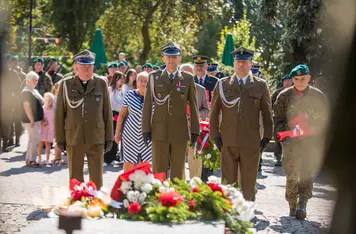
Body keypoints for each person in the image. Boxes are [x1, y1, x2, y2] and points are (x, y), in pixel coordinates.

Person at [209, 47, 273, 201]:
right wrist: (215, 134)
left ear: (251, 64)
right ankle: (229, 211)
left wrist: (267, 137)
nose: (241, 65)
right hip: (228, 139)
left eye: (244, 62)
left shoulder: (260, 85)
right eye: (238, 61)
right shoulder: (223, 84)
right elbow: (214, 112)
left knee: (248, 180)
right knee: (228, 180)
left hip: (251, 141)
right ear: (234, 64)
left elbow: (267, 113)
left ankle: (247, 209)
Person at [273, 64, 328, 220]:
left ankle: (302, 203)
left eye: (303, 78)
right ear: (292, 79)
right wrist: (286, 133)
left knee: (306, 173)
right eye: (296, 79)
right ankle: (292, 203)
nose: (300, 82)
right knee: (291, 174)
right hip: (290, 143)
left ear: (309, 78)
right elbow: (277, 120)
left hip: (310, 142)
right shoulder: (283, 96)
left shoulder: (318, 96)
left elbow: (324, 119)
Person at [55, 50, 113, 189]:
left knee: (97, 176)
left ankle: (96, 202)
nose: (87, 69)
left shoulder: (101, 83)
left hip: (96, 135)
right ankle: (77, 203)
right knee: (75, 176)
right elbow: (59, 114)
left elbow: (107, 112)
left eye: (90, 66)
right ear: (77, 67)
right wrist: (60, 139)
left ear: (93, 67)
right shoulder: (66, 84)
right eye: (84, 66)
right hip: (74, 135)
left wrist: (108, 137)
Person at [142, 41, 199, 180]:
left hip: (180, 131)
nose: (171, 60)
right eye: (168, 57)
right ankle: (159, 200)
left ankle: (176, 199)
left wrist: (195, 131)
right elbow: (148, 105)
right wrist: (146, 129)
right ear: (163, 58)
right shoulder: (154, 78)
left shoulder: (187, 78)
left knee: (178, 173)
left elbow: (193, 106)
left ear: (179, 58)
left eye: (174, 57)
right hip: (159, 130)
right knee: (158, 172)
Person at [115, 72, 151, 171]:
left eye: (146, 81)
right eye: (141, 81)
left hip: (147, 135)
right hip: (130, 135)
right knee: (128, 162)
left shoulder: (153, 97)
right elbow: (121, 115)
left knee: (144, 164)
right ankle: (126, 185)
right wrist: (117, 134)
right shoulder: (130, 95)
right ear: (137, 82)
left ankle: (143, 186)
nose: (143, 83)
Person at [180, 63, 209, 179]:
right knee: (179, 157)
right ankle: (179, 184)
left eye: (189, 74)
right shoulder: (174, 88)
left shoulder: (200, 90)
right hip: (178, 128)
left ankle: (195, 184)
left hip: (195, 129)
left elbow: (206, 109)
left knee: (196, 157)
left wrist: (196, 114)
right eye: (184, 73)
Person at [192, 55, 218, 182]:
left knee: (209, 148)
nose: (199, 68)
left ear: (207, 66)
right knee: (195, 150)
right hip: (193, 121)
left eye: (202, 65)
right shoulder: (189, 81)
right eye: (197, 65)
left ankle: (207, 174)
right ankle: (196, 175)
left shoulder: (214, 82)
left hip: (210, 120)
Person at [21, 71, 44, 168]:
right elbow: (27, 107)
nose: (36, 82)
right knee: (35, 139)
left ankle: (28, 159)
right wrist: (31, 120)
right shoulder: (26, 92)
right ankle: (32, 160)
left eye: (37, 80)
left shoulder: (34, 90)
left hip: (36, 120)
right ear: (28, 80)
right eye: (35, 80)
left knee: (32, 139)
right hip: (31, 120)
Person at [270, 74, 293, 166]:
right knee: (278, 139)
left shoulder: (294, 92)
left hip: (292, 120)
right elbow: (270, 104)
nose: (287, 82)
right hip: (279, 120)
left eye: (289, 80)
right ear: (283, 82)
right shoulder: (277, 93)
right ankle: (278, 158)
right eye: (285, 81)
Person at [105, 71, 125, 165]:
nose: (121, 80)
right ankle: (108, 158)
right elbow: (108, 102)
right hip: (112, 114)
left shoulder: (121, 91)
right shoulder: (110, 89)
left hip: (120, 114)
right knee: (111, 136)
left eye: (122, 78)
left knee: (117, 136)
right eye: (120, 78)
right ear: (115, 79)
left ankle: (114, 156)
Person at [38, 92, 55, 165]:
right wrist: (42, 122)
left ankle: (47, 159)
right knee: (40, 143)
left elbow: (54, 120)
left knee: (48, 144)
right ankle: (39, 158)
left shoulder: (53, 110)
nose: (48, 101)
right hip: (42, 128)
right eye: (47, 99)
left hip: (50, 129)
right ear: (44, 100)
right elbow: (38, 119)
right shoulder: (41, 109)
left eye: (50, 100)